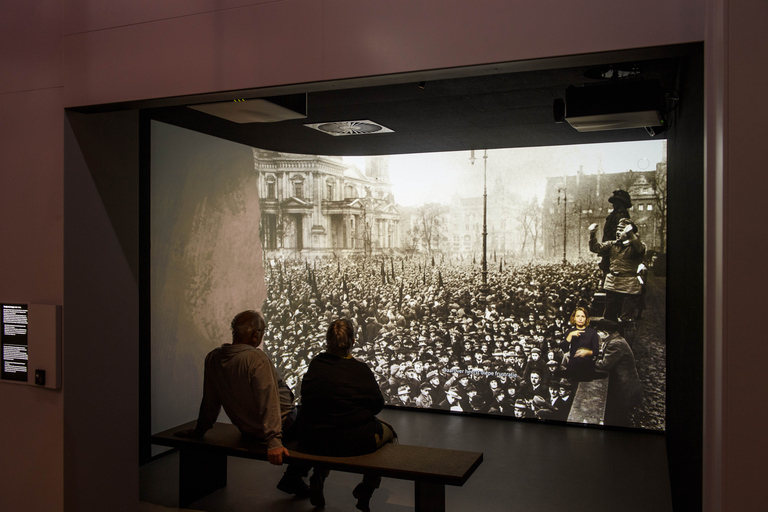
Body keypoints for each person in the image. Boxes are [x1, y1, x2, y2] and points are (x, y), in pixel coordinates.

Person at [176, 310, 310, 496]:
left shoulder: (213, 357)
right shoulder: (256, 359)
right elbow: (268, 401)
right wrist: (274, 442)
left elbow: (210, 400)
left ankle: (294, 477)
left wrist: (200, 430)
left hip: (248, 429)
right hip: (282, 427)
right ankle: (295, 477)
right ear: (256, 335)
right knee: (318, 421)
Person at [296, 319, 397, 512]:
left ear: (327, 340)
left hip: (314, 438)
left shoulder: (316, 364)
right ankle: (366, 488)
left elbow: (306, 397)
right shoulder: (360, 370)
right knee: (390, 433)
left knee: (328, 433)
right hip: (353, 441)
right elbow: (377, 405)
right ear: (353, 341)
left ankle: (319, 475)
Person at [589, 218, 646, 325]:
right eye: (617, 230)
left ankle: (627, 341)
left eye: (622, 230)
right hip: (612, 284)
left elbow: (639, 250)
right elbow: (595, 248)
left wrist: (631, 235)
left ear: (629, 232)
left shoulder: (637, 246)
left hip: (629, 286)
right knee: (609, 317)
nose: (618, 232)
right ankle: (613, 340)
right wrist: (593, 234)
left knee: (626, 319)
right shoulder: (612, 245)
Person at [593, 318, 642, 427]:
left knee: (622, 418)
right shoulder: (616, 339)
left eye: (599, 333)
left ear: (605, 332)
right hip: (625, 384)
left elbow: (605, 364)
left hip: (625, 387)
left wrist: (592, 361)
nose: (598, 335)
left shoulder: (615, 344)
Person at [563, 306, 599, 380]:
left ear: (586, 319)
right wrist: (570, 335)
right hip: (573, 367)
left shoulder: (592, 332)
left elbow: (596, 351)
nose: (580, 318)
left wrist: (587, 352)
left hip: (588, 367)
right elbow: (564, 348)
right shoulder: (569, 331)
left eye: (583, 316)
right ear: (574, 318)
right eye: (578, 316)